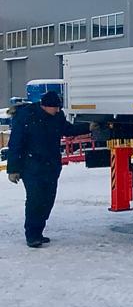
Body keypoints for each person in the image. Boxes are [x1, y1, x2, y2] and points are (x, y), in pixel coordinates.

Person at [6, 91, 87, 248]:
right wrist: (13, 169)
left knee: (47, 200)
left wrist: (88, 127)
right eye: (55, 108)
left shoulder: (56, 116)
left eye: (58, 108)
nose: (57, 111)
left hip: (51, 166)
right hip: (31, 166)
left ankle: (38, 231)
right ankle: (32, 235)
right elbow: (15, 144)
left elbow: (67, 129)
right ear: (44, 106)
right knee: (35, 199)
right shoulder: (26, 117)